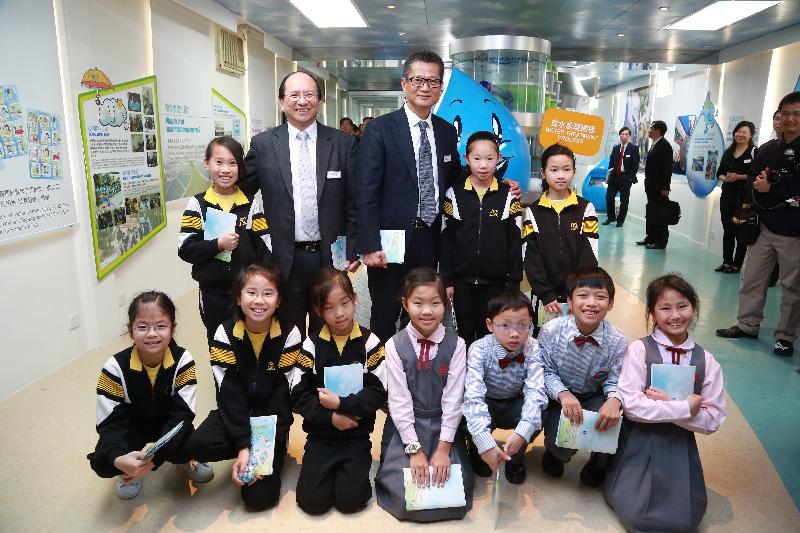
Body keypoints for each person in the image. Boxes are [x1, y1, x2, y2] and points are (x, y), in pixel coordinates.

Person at [605, 274, 726, 532]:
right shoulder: (639, 350)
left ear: (694, 307)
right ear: (651, 312)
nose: (675, 315)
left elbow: (713, 419)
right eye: (665, 308)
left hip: (680, 444)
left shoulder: (707, 361)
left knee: (684, 519)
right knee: (636, 514)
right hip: (640, 440)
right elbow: (633, 408)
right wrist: (684, 407)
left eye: (682, 306)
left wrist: (665, 405)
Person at [244, 71, 359, 338]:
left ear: (319, 100)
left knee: (330, 330)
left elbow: (354, 200)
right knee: (288, 332)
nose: (302, 101)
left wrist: (354, 246)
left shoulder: (343, 143)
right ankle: (294, 381)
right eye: (294, 95)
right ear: (282, 102)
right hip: (283, 258)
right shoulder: (263, 145)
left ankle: (323, 380)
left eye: (309, 94)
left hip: (331, 255)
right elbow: (241, 194)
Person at [357, 51, 463, 341]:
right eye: (418, 80)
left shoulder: (445, 131)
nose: (425, 87)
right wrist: (368, 244)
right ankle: (380, 378)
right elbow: (366, 190)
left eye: (433, 81)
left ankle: (416, 374)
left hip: (430, 237)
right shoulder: (381, 129)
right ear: (404, 83)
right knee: (385, 312)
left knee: (423, 312)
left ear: (440, 87)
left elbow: (454, 178)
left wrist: (498, 182)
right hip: (389, 240)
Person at [187, 264, 302, 510]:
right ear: (238, 298)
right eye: (251, 292)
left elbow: (284, 396)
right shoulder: (224, 333)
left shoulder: (290, 333)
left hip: (271, 421)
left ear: (279, 300)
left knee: (258, 500)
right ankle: (243, 452)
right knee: (198, 444)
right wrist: (243, 446)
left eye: (268, 293)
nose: (259, 301)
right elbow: (228, 395)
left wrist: (263, 445)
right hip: (237, 412)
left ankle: (271, 451)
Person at [87, 291, 213, 499]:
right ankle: (128, 472)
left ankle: (185, 459)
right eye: (142, 327)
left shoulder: (183, 360)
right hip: (133, 427)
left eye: (161, 326)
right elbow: (110, 423)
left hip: (169, 425)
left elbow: (182, 417)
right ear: (130, 331)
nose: (152, 334)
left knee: (194, 441)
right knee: (102, 461)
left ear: (173, 328)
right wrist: (119, 458)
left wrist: (152, 462)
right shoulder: (114, 368)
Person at [375, 267, 474, 522]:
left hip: (444, 426)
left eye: (435, 303)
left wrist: (444, 449)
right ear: (405, 304)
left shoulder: (458, 344)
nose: (427, 311)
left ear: (446, 303)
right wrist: (414, 450)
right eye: (418, 303)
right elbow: (398, 401)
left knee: (452, 487)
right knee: (405, 493)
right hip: (407, 424)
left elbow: (454, 400)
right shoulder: (394, 345)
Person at [292, 268, 387, 515]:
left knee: (350, 501)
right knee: (312, 503)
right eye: (329, 307)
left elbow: (378, 391)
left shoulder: (370, 343)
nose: (339, 313)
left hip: (356, 436)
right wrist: (330, 417)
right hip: (321, 435)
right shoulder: (311, 345)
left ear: (354, 299)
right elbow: (300, 395)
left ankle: (352, 473)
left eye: (344, 303)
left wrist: (342, 405)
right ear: (318, 310)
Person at [716, 91, 800, 357]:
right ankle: (747, 324)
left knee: (791, 286)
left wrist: (771, 187)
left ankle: (785, 336)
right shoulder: (767, 149)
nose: (789, 119)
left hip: (794, 230)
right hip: (764, 225)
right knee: (752, 278)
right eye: (785, 113)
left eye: (796, 113)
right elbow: (753, 179)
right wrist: (760, 184)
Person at [536, 266, 627, 487]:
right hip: (561, 395)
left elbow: (615, 379)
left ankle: (599, 460)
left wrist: (615, 400)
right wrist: (563, 393)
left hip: (594, 394)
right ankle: (556, 453)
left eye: (600, 297)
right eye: (583, 295)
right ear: (570, 300)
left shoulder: (617, 340)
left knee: (612, 418)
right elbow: (545, 371)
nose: (591, 303)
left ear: (611, 303)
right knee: (559, 437)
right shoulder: (550, 331)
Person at [178, 137, 272, 344]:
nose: (225, 170)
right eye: (219, 162)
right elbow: (186, 249)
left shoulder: (250, 204)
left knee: (250, 343)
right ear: (207, 163)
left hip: (247, 293)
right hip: (213, 293)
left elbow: (265, 248)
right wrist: (217, 244)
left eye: (233, 163)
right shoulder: (198, 204)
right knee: (219, 343)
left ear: (241, 166)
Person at [440, 131, 523, 345]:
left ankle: (490, 378)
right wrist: (447, 280)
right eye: (477, 159)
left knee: (492, 337)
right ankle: (466, 377)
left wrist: (513, 283)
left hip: (497, 283)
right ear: (467, 159)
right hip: (462, 282)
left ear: (498, 160)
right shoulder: (454, 194)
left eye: (489, 159)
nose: (483, 165)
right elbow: (447, 240)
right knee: (464, 335)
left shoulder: (508, 196)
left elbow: (515, 242)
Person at [461, 290, 547, 485]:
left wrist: (522, 432)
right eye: (505, 325)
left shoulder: (533, 347)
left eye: (522, 325)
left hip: (514, 402)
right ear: (490, 325)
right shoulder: (478, 349)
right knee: (467, 415)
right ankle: (478, 452)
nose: (515, 333)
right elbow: (473, 395)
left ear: (530, 324)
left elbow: (536, 391)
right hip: (487, 401)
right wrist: (484, 441)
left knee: (540, 413)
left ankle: (515, 458)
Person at [523, 143, 599, 319]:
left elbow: (590, 255)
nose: (560, 176)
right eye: (554, 170)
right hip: (544, 299)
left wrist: (577, 293)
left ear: (573, 172)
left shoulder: (586, 209)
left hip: (577, 298)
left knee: (575, 342)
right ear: (543, 173)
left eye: (566, 169)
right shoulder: (533, 212)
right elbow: (530, 256)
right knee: (543, 341)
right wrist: (545, 293)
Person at [715, 121, 756, 274]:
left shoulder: (753, 152)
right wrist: (724, 178)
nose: (740, 134)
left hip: (743, 200)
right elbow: (719, 171)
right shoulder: (728, 151)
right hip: (727, 197)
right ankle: (726, 262)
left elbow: (754, 176)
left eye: (744, 132)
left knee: (740, 233)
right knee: (728, 230)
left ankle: (737, 265)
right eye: (738, 131)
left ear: (751, 135)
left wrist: (739, 177)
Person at [637, 120, 674, 249]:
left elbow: (667, 169)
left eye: (651, 128)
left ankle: (660, 242)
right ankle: (650, 237)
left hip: (659, 188)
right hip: (651, 186)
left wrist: (665, 187)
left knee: (660, 214)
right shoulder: (654, 144)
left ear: (657, 130)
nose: (649, 131)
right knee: (652, 212)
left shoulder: (665, 146)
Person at [603, 126, 640, 227]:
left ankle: (620, 220)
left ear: (629, 136)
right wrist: (609, 175)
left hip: (626, 178)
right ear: (619, 136)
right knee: (609, 197)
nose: (624, 136)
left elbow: (635, 165)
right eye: (622, 134)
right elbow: (611, 163)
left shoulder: (634, 149)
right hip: (614, 177)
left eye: (626, 134)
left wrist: (630, 177)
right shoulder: (615, 148)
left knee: (624, 200)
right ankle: (611, 217)